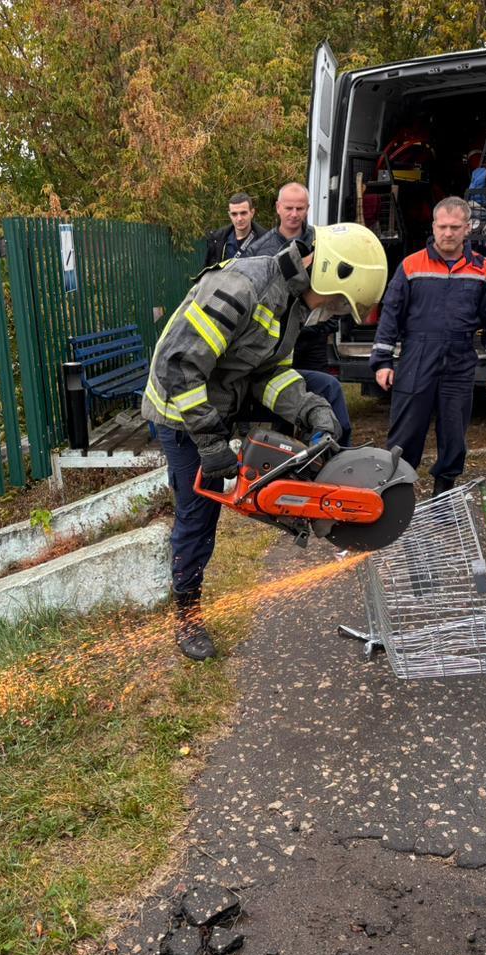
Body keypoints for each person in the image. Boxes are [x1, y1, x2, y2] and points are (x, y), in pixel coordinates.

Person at [142, 223, 387, 661]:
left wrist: (307, 410)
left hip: (223, 396)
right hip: (181, 411)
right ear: (330, 275)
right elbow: (180, 367)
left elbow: (268, 374)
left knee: (324, 394)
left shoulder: (290, 304)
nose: (330, 313)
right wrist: (210, 441)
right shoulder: (241, 288)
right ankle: (187, 613)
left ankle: (325, 479)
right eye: (335, 303)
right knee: (199, 515)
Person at [369, 197, 486, 495]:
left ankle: (443, 498)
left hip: (459, 361)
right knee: (406, 434)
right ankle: (394, 497)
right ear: (433, 226)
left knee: (454, 435)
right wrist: (382, 362)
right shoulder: (411, 265)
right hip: (417, 357)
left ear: (467, 228)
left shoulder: (482, 269)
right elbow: (391, 314)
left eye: (455, 227)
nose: (448, 233)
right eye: (442, 226)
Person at [243, 182, 353, 445]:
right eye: (289, 208)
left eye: (300, 208)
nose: (294, 214)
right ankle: (284, 459)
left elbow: (338, 290)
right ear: (278, 208)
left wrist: (322, 328)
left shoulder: (324, 243)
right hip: (276, 347)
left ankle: (324, 455)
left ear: (308, 209)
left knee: (320, 400)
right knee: (282, 406)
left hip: (312, 342)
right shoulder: (259, 250)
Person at [203, 192, 266, 267]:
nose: (239, 219)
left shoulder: (266, 241)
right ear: (229, 215)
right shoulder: (218, 240)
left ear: (252, 213)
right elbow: (208, 273)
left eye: (243, 213)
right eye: (234, 214)